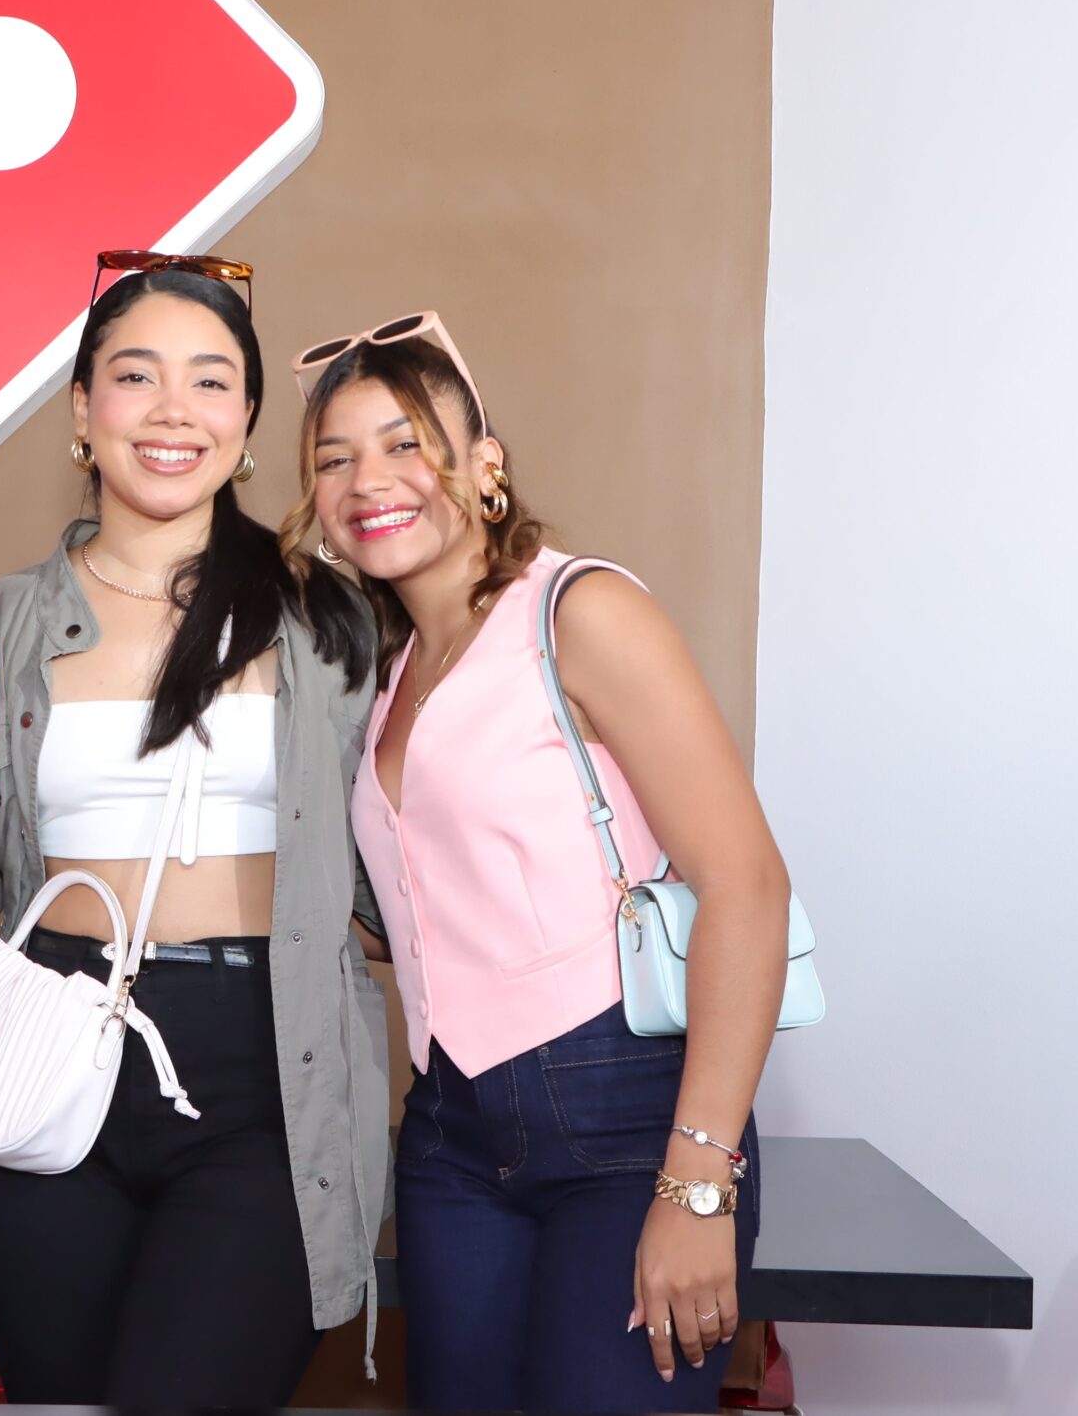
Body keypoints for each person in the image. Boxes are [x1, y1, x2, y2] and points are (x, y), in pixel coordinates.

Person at [288, 313, 793, 1413]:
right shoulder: (387, 670)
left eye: (405, 442)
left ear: (486, 464)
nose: (368, 479)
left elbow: (747, 885)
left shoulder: (579, 610)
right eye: (334, 458)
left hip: (628, 1116)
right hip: (449, 1134)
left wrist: (698, 1182)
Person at [0, 252, 389, 1408]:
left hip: (267, 1069)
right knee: (59, 1402)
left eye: (209, 381)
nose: (171, 410)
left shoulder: (326, 616)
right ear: (81, 410)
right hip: (47, 1054)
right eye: (135, 374)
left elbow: (409, 849)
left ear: (245, 423)